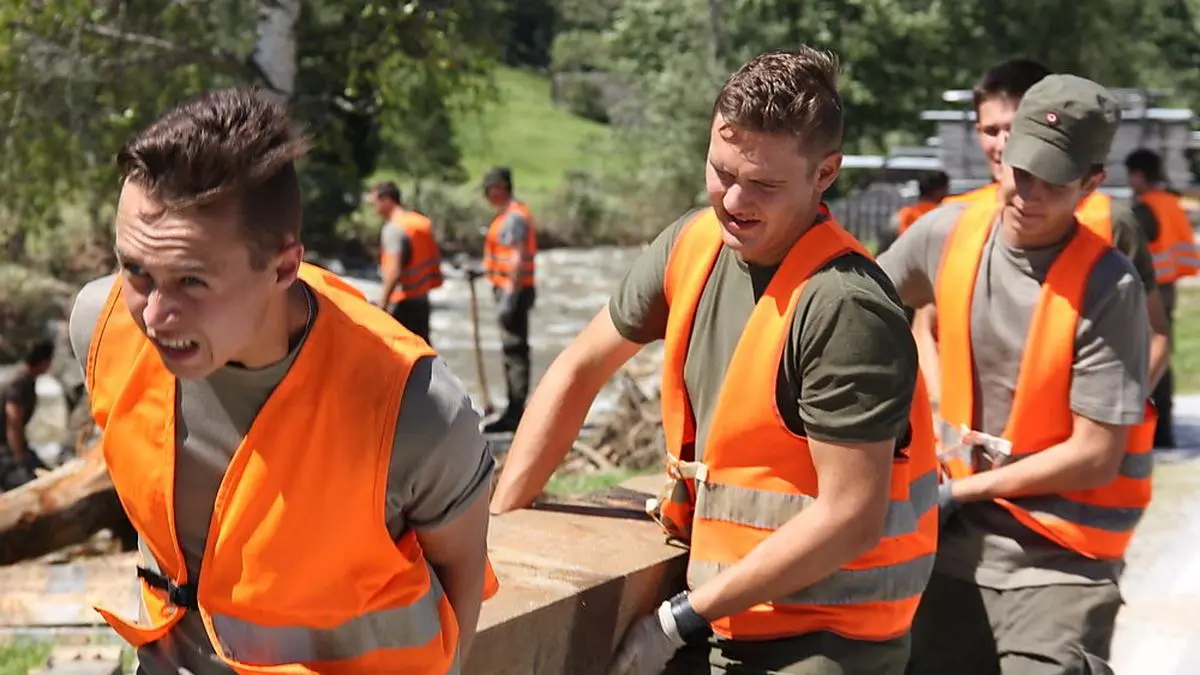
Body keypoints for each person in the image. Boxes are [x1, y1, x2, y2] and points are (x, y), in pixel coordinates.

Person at [491, 48, 938, 675]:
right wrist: (502, 520)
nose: (733, 199)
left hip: (823, 636)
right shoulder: (693, 242)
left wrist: (679, 620)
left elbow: (851, 518)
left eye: (764, 184)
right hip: (718, 605)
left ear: (826, 173)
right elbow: (579, 367)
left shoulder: (845, 307)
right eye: (721, 171)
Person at [69, 87, 497, 674]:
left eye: (192, 281)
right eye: (136, 270)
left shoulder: (413, 408)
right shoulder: (99, 327)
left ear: (283, 267)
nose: (152, 315)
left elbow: (462, 574)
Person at [879, 74, 1151, 675]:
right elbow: (853, 308)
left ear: (1091, 185)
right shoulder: (947, 233)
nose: (1027, 193)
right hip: (952, 546)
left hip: (1062, 560)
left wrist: (956, 490)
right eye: (1020, 172)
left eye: (1053, 183)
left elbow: (1096, 454)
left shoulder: (1110, 287)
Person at [910, 58, 1169, 413]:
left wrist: (1114, 411)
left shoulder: (1110, 221)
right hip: (967, 457)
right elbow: (924, 327)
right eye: (990, 130)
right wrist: (942, 414)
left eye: (1014, 129)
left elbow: (1157, 334)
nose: (1002, 144)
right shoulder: (956, 220)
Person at [1125, 148, 1199, 447]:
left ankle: (1155, 428)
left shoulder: (1145, 209)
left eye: (1132, 176)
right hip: (1169, 288)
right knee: (1163, 355)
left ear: (1140, 175)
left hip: (1148, 291)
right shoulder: (1171, 202)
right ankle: (1164, 426)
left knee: (1150, 356)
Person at [480, 166, 537, 433]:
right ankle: (514, 409)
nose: (485, 195)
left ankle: (515, 412)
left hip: (513, 291)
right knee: (512, 350)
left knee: (514, 351)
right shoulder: (507, 216)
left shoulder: (514, 218)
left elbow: (515, 258)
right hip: (509, 289)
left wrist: (509, 298)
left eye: (488, 189)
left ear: (499, 188)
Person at [370, 180, 445, 344]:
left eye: (375, 203)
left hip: (402, 303)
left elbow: (394, 271)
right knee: (421, 351)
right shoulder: (419, 223)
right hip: (421, 299)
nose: (374, 209)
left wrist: (382, 305)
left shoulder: (394, 229)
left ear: (387, 200)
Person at [0, 339, 54, 490]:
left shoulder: (25, 377)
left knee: (49, 476)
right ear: (44, 363)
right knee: (32, 485)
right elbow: (13, 422)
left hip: (13, 446)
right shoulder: (19, 382)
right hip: (6, 450)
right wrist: (19, 459)